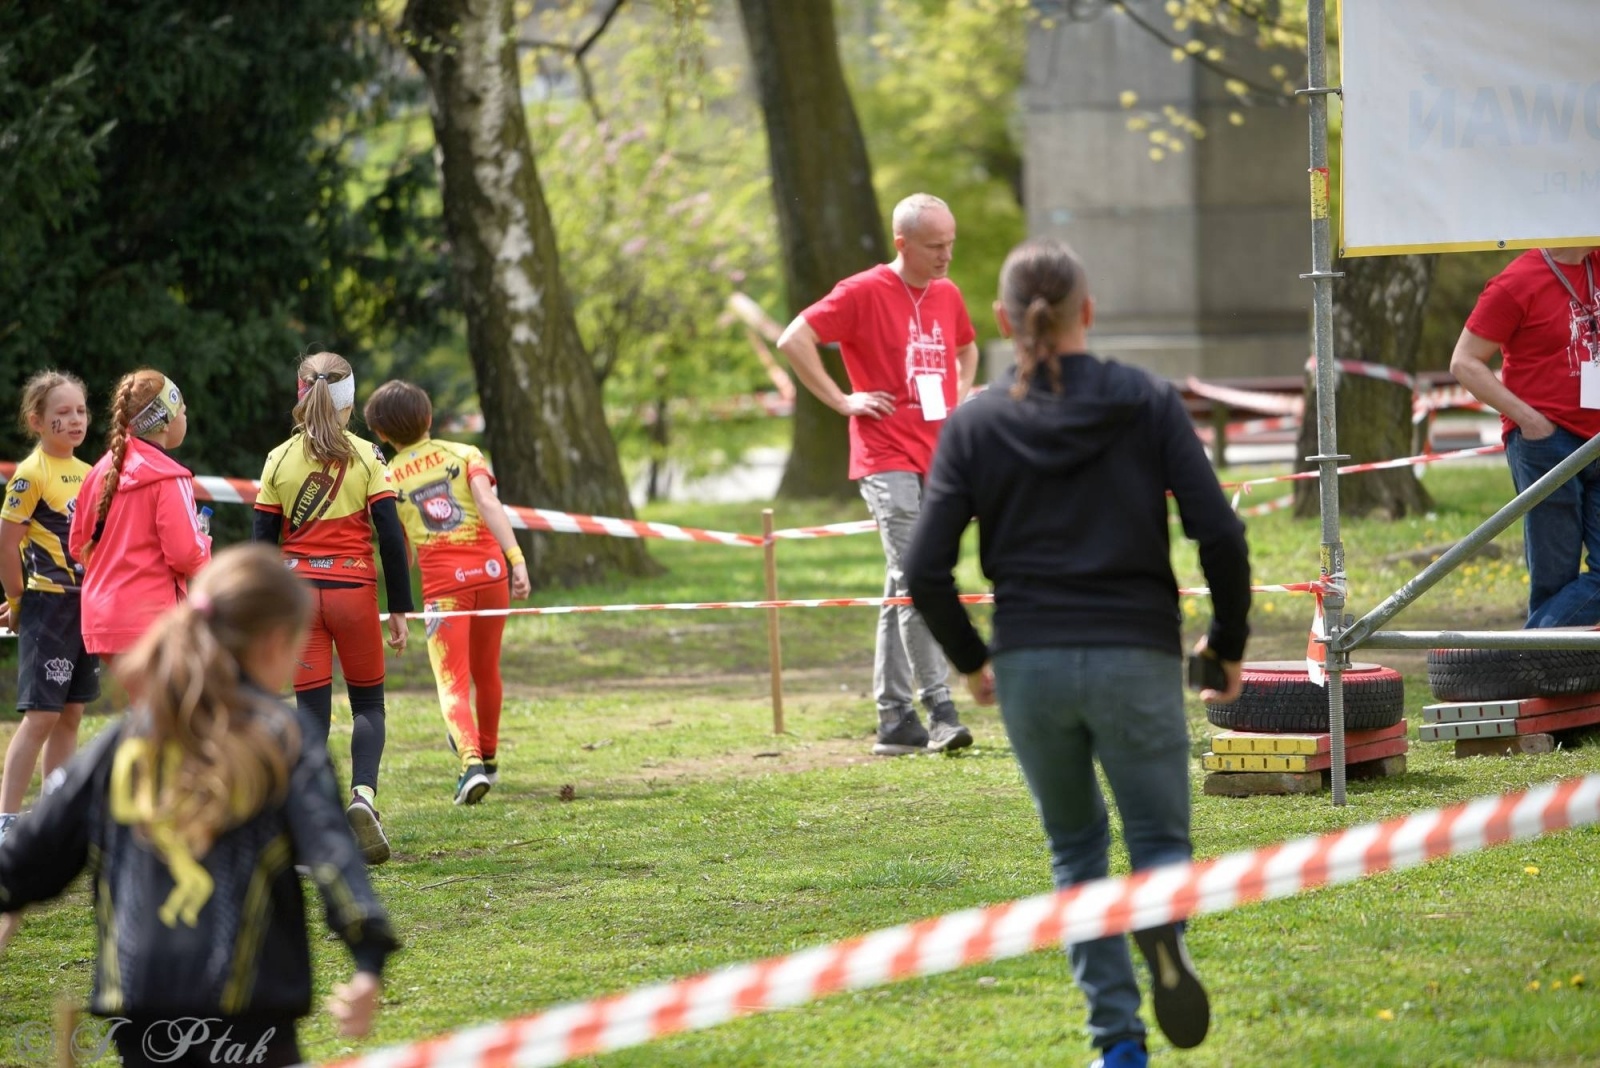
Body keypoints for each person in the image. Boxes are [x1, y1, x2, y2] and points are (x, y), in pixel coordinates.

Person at [905, 238, 1252, 1068]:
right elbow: (1221, 533)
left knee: (1076, 850)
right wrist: (1226, 643)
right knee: (1160, 845)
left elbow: (922, 567)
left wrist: (972, 658)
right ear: (1088, 313)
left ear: (998, 321)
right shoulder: (1146, 400)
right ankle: (1161, 932)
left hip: (1030, 663)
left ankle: (1118, 1044)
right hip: (1134, 651)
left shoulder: (977, 421)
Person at [0, 544, 397, 1067]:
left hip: (141, 1019)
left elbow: (26, 859)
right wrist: (367, 959)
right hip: (253, 1024)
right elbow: (332, 853)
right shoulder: (282, 738)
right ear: (276, 642)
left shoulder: (119, 745)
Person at [776, 192, 981, 756]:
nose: (946, 256)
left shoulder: (947, 294)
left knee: (904, 579)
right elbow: (793, 338)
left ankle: (894, 719)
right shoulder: (863, 291)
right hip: (883, 452)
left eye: (951, 244)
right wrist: (843, 400)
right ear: (902, 243)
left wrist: (960, 397)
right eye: (935, 246)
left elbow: (967, 348)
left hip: (936, 456)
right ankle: (940, 710)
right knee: (919, 578)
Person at [254, 352, 414, 865]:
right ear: (349, 405)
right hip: (354, 595)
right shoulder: (369, 456)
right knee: (368, 705)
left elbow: (261, 543)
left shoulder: (278, 458)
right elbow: (390, 536)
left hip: (299, 600)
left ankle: (308, 824)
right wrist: (400, 609)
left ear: (301, 393)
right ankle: (363, 797)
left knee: (311, 714)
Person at [363, 380, 531, 805]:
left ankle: (471, 763)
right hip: (492, 574)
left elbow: (400, 552)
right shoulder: (464, 454)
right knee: (487, 669)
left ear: (381, 434)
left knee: (451, 681)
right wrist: (516, 560)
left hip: (444, 590)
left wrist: (397, 608)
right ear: (429, 419)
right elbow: (489, 505)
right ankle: (489, 756)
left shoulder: (387, 477)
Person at [1450, 245, 1600, 627]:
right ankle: (1538, 666)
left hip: (1595, 438)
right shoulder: (1516, 282)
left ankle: (1527, 653)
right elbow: (1464, 362)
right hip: (1548, 443)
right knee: (1554, 576)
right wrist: (1529, 421)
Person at [0, 372, 99, 846]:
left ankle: (55, 817)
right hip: (47, 606)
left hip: (87, 608)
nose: (74, 420)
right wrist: (17, 600)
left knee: (71, 714)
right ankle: (7, 822)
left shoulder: (90, 472)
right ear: (37, 421)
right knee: (40, 715)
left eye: (80, 410)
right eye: (62, 413)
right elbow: (7, 543)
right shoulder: (31, 472)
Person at [68, 369, 212, 659]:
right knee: (166, 704)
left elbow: (77, 545)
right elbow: (185, 554)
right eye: (182, 411)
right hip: (152, 622)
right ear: (164, 421)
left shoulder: (98, 472)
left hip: (100, 619)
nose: (186, 417)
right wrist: (203, 542)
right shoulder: (171, 477)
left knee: (143, 704)